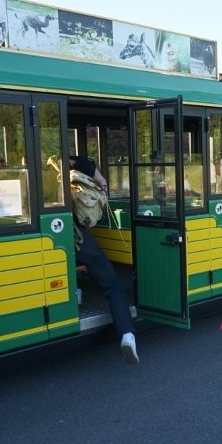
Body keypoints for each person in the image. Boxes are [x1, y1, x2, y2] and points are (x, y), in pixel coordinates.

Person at [69, 155, 138, 364]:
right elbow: (97, 179)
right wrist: (102, 183)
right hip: (79, 240)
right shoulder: (71, 166)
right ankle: (127, 335)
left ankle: (77, 293)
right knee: (112, 286)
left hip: (53, 242)